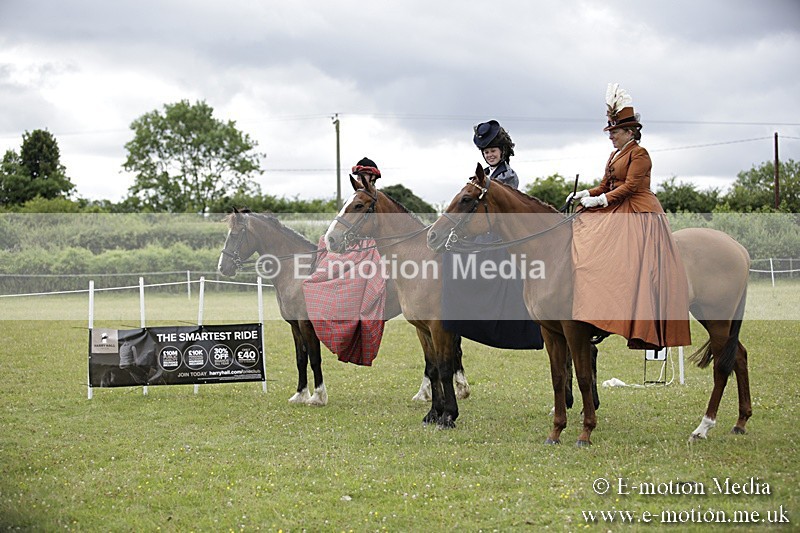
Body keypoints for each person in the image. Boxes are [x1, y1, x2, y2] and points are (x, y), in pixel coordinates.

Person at [568, 83, 691, 350]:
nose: (611, 137)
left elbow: (631, 187)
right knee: (582, 222)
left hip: (639, 210)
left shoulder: (640, 154)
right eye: (610, 132)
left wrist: (600, 200)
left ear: (630, 132)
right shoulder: (614, 154)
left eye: (615, 132)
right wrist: (584, 194)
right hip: (617, 205)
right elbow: (605, 184)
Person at [472, 120, 519, 189]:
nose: (490, 155)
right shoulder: (484, 172)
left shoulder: (507, 175)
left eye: (493, 151)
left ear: (502, 151)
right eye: (486, 152)